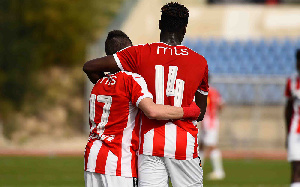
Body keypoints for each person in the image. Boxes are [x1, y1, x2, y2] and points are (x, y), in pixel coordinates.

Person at [83, 2, 209, 186]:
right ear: (184, 28)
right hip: (183, 142)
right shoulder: (200, 62)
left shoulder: (139, 53)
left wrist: (117, 91)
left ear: (159, 24)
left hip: (149, 141)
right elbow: (200, 111)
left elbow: (90, 66)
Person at [198, 76, 225, 180]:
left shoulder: (205, 92)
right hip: (212, 119)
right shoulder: (214, 91)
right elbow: (222, 105)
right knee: (201, 145)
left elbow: (202, 106)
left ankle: (219, 172)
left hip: (209, 121)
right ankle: (197, 169)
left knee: (211, 145)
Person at [285, 49, 300, 187]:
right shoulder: (292, 81)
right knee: (296, 168)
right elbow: (288, 109)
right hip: (295, 132)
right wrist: (287, 133)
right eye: (297, 60)